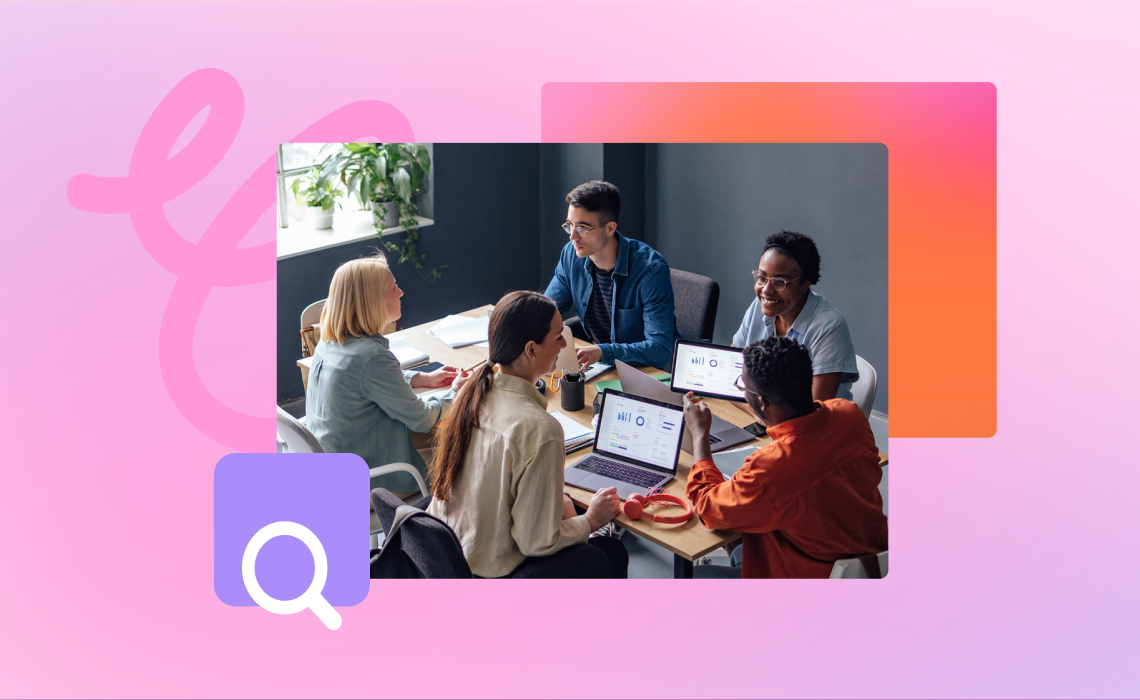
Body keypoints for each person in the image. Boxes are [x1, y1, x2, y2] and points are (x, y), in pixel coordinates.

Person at [428, 291, 627, 578]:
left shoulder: (469, 395)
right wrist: (592, 519)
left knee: (565, 505)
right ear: (531, 349)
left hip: (450, 556)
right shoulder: (541, 430)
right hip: (490, 575)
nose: (564, 344)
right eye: (558, 337)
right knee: (609, 552)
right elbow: (537, 542)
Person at [682, 336, 887, 578]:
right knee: (742, 539)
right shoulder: (850, 414)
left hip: (808, 578)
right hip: (873, 564)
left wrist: (699, 433)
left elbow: (707, 507)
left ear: (761, 402)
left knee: (695, 576)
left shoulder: (770, 470)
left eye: (742, 386)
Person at [305, 254, 470, 495]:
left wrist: (420, 378)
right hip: (369, 483)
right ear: (373, 301)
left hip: (332, 474)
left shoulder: (329, 342)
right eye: (394, 288)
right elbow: (423, 419)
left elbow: (363, 381)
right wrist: (457, 392)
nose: (401, 292)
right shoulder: (371, 357)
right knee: (464, 456)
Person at [544, 180, 680, 370]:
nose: (572, 236)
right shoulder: (571, 254)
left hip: (646, 371)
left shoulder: (650, 271)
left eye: (582, 228)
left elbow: (660, 350)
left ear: (610, 228)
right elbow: (546, 310)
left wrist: (603, 352)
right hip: (603, 365)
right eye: (570, 225)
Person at [732, 231, 858, 401]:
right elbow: (729, 373)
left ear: (805, 286)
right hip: (759, 412)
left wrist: (750, 404)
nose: (766, 290)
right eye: (761, 277)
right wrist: (754, 406)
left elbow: (815, 409)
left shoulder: (829, 327)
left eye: (779, 282)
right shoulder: (759, 306)